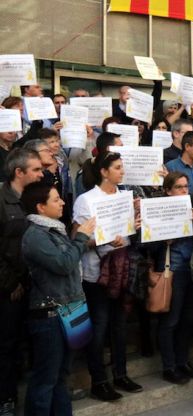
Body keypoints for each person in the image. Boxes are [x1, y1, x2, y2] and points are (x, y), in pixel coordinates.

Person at [72, 151, 142, 402]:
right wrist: (102, 240)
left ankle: (120, 374)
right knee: (100, 327)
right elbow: (79, 238)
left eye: (122, 167)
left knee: (120, 325)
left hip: (122, 268)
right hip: (97, 272)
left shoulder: (125, 196)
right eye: (117, 168)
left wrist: (136, 223)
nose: (122, 172)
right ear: (103, 171)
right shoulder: (86, 200)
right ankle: (99, 380)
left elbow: (130, 231)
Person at [20, 182, 95, 415]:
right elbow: (63, 264)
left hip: (71, 308)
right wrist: (81, 238)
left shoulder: (55, 230)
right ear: (40, 207)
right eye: (56, 200)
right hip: (50, 315)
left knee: (62, 375)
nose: (63, 202)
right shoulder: (35, 235)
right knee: (46, 379)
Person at [143, 173, 193, 385]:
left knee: (188, 319)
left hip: (191, 269)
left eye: (186, 186)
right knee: (170, 321)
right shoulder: (158, 209)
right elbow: (147, 246)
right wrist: (163, 240)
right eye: (178, 187)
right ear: (168, 190)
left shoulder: (191, 209)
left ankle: (183, 361)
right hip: (171, 271)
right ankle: (169, 366)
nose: (183, 191)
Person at [0, 149, 43, 414]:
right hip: (9, 289)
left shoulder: (35, 199)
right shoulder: (1, 200)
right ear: (19, 172)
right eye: (36, 170)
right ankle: (6, 398)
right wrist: (10, 283)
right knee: (7, 343)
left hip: (36, 283)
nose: (42, 173)